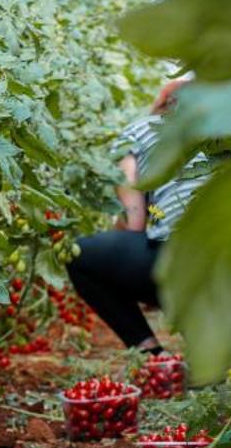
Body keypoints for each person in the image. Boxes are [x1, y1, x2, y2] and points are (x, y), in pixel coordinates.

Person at [66, 75, 211, 354]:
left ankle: (153, 356)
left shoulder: (140, 131)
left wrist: (133, 275)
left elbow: (134, 222)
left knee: (77, 254)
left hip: (177, 262)